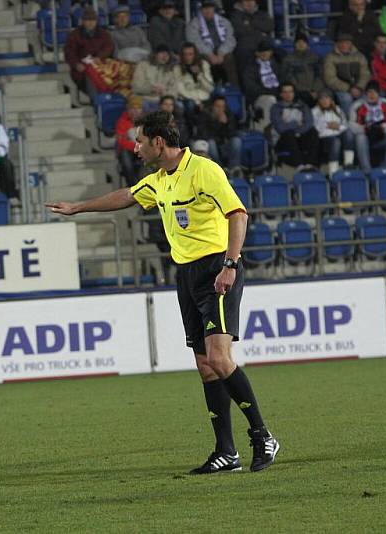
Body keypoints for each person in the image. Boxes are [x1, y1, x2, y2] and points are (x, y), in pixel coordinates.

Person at [46, 111, 279, 475]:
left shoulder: (204, 170)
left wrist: (230, 265)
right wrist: (78, 208)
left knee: (219, 358)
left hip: (217, 266)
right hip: (187, 275)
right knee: (205, 368)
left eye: (139, 141)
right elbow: (126, 196)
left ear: (158, 142)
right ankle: (226, 452)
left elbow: (238, 214)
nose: (134, 148)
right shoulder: (159, 180)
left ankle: (262, 435)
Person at [64, 6, 114, 100]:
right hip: (83, 68)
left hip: (100, 64)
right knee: (90, 75)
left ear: (96, 21)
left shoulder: (104, 33)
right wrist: (76, 64)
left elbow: (109, 47)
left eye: (93, 20)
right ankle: (97, 101)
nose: (91, 23)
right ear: (83, 21)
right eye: (87, 20)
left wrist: (100, 57)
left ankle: (110, 100)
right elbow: (69, 52)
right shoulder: (74, 35)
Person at [349, 80, 386, 172]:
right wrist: (364, 128)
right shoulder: (357, 105)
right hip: (365, 138)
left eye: (375, 92)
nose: (372, 95)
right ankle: (367, 171)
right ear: (365, 93)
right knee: (360, 138)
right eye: (369, 92)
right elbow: (351, 125)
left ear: (379, 93)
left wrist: (383, 127)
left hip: (381, 136)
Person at [185, 0, 238, 86]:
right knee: (202, 60)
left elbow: (231, 40)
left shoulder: (225, 22)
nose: (207, 11)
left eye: (210, 8)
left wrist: (221, 52)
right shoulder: (194, 24)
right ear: (201, 10)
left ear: (214, 8)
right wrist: (209, 54)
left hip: (221, 52)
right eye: (205, 8)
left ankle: (234, 88)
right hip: (204, 53)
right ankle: (207, 88)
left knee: (230, 58)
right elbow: (194, 41)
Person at [270, 82, 319, 169]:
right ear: (281, 94)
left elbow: (308, 123)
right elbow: (280, 128)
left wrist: (295, 130)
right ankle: (300, 165)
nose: (288, 94)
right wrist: (295, 124)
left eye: (290, 92)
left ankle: (310, 164)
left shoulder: (302, 105)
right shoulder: (276, 108)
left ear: (294, 93)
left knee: (313, 132)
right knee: (288, 133)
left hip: (300, 137)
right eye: (285, 92)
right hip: (283, 141)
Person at [323, 33, 371, 116]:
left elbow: (365, 74)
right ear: (337, 44)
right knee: (346, 98)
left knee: (368, 97)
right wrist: (349, 89)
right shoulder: (330, 57)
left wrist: (359, 87)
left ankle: (364, 121)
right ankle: (348, 122)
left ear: (351, 44)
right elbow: (330, 79)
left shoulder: (359, 56)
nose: (344, 45)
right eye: (341, 43)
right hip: (341, 89)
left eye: (347, 43)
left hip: (359, 87)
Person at [312, 89, 354, 174]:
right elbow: (315, 128)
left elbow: (345, 125)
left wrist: (338, 126)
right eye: (321, 99)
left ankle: (348, 164)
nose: (324, 101)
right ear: (318, 100)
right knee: (336, 141)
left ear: (331, 100)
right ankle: (333, 173)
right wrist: (328, 126)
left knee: (348, 133)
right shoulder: (314, 111)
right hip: (324, 138)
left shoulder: (338, 110)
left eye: (327, 98)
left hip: (338, 133)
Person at [242, 40, 280, 131]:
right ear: (256, 53)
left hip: (278, 95)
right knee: (270, 99)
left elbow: (283, 81)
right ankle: (266, 132)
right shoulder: (249, 68)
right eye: (261, 51)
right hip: (258, 98)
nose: (264, 53)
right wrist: (270, 92)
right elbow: (250, 88)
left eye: (266, 51)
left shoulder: (276, 66)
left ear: (271, 53)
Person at [200, 95, 243, 171]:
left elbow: (232, 133)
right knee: (211, 143)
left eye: (223, 107)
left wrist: (225, 124)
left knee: (237, 141)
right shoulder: (205, 115)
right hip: (213, 146)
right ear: (212, 107)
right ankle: (220, 169)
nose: (220, 109)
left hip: (226, 144)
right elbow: (205, 134)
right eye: (218, 106)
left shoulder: (229, 115)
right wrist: (218, 123)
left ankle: (234, 169)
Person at [280, 33, 324, 107]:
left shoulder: (316, 57)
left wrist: (315, 89)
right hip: (298, 90)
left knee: (326, 96)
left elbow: (320, 75)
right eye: (298, 42)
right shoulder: (288, 60)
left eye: (303, 42)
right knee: (305, 97)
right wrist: (307, 91)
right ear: (294, 44)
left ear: (307, 44)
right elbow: (289, 78)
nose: (301, 44)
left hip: (316, 89)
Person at [132, 44, 178, 112]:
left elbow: (174, 90)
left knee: (176, 106)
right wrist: (152, 89)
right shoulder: (143, 65)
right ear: (155, 54)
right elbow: (136, 87)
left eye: (167, 54)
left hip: (161, 100)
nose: (165, 56)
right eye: (162, 53)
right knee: (141, 106)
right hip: (143, 98)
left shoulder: (171, 70)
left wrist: (164, 94)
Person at [230, 0, 274, 66]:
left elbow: (270, 26)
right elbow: (239, 31)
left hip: (265, 44)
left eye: (251, 0)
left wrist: (250, 23)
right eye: (246, 1)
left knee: (280, 52)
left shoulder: (262, 13)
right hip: (246, 47)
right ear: (241, 2)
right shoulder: (235, 15)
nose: (249, 3)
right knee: (244, 54)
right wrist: (260, 31)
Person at [175, 42, 213, 117]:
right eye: (185, 54)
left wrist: (199, 75)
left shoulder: (203, 64)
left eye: (190, 54)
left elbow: (210, 88)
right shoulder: (177, 68)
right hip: (188, 98)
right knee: (191, 105)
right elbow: (180, 90)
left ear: (195, 54)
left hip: (204, 97)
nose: (188, 57)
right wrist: (197, 101)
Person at [115, 95, 145, 186]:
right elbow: (121, 141)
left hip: (145, 150)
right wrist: (136, 147)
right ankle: (133, 186)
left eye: (138, 108)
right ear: (128, 109)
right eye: (133, 108)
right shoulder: (122, 122)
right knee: (124, 155)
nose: (135, 111)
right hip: (130, 151)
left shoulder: (146, 121)